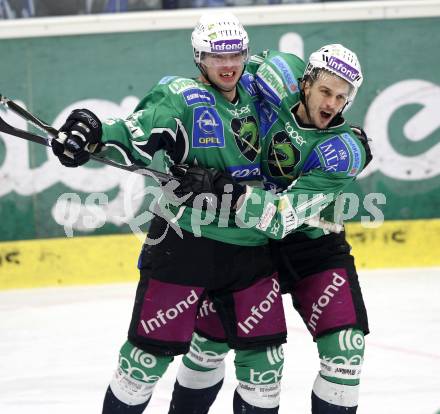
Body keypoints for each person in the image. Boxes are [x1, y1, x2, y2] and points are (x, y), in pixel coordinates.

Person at [51, 12, 288, 414]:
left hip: (251, 249)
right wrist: (93, 130)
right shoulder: (179, 96)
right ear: (199, 58)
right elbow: (134, 130)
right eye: (216, 57)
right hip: (185, 245)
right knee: (143, 362)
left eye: (235, 55)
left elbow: (316, 97)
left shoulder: (262, 89)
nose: (228, 66)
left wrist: (351, 137)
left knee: (265, 368)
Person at [167, 45, 371, 414]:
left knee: (346, 353)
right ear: (304, 83)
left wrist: (225, 190)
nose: (332, 104)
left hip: (311, 245)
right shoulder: (275, 73)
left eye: (341, 97)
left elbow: (280, 219)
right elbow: (224, 82)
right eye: (326, 91)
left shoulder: (342, 150)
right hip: (246, 244)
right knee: (209, 347)